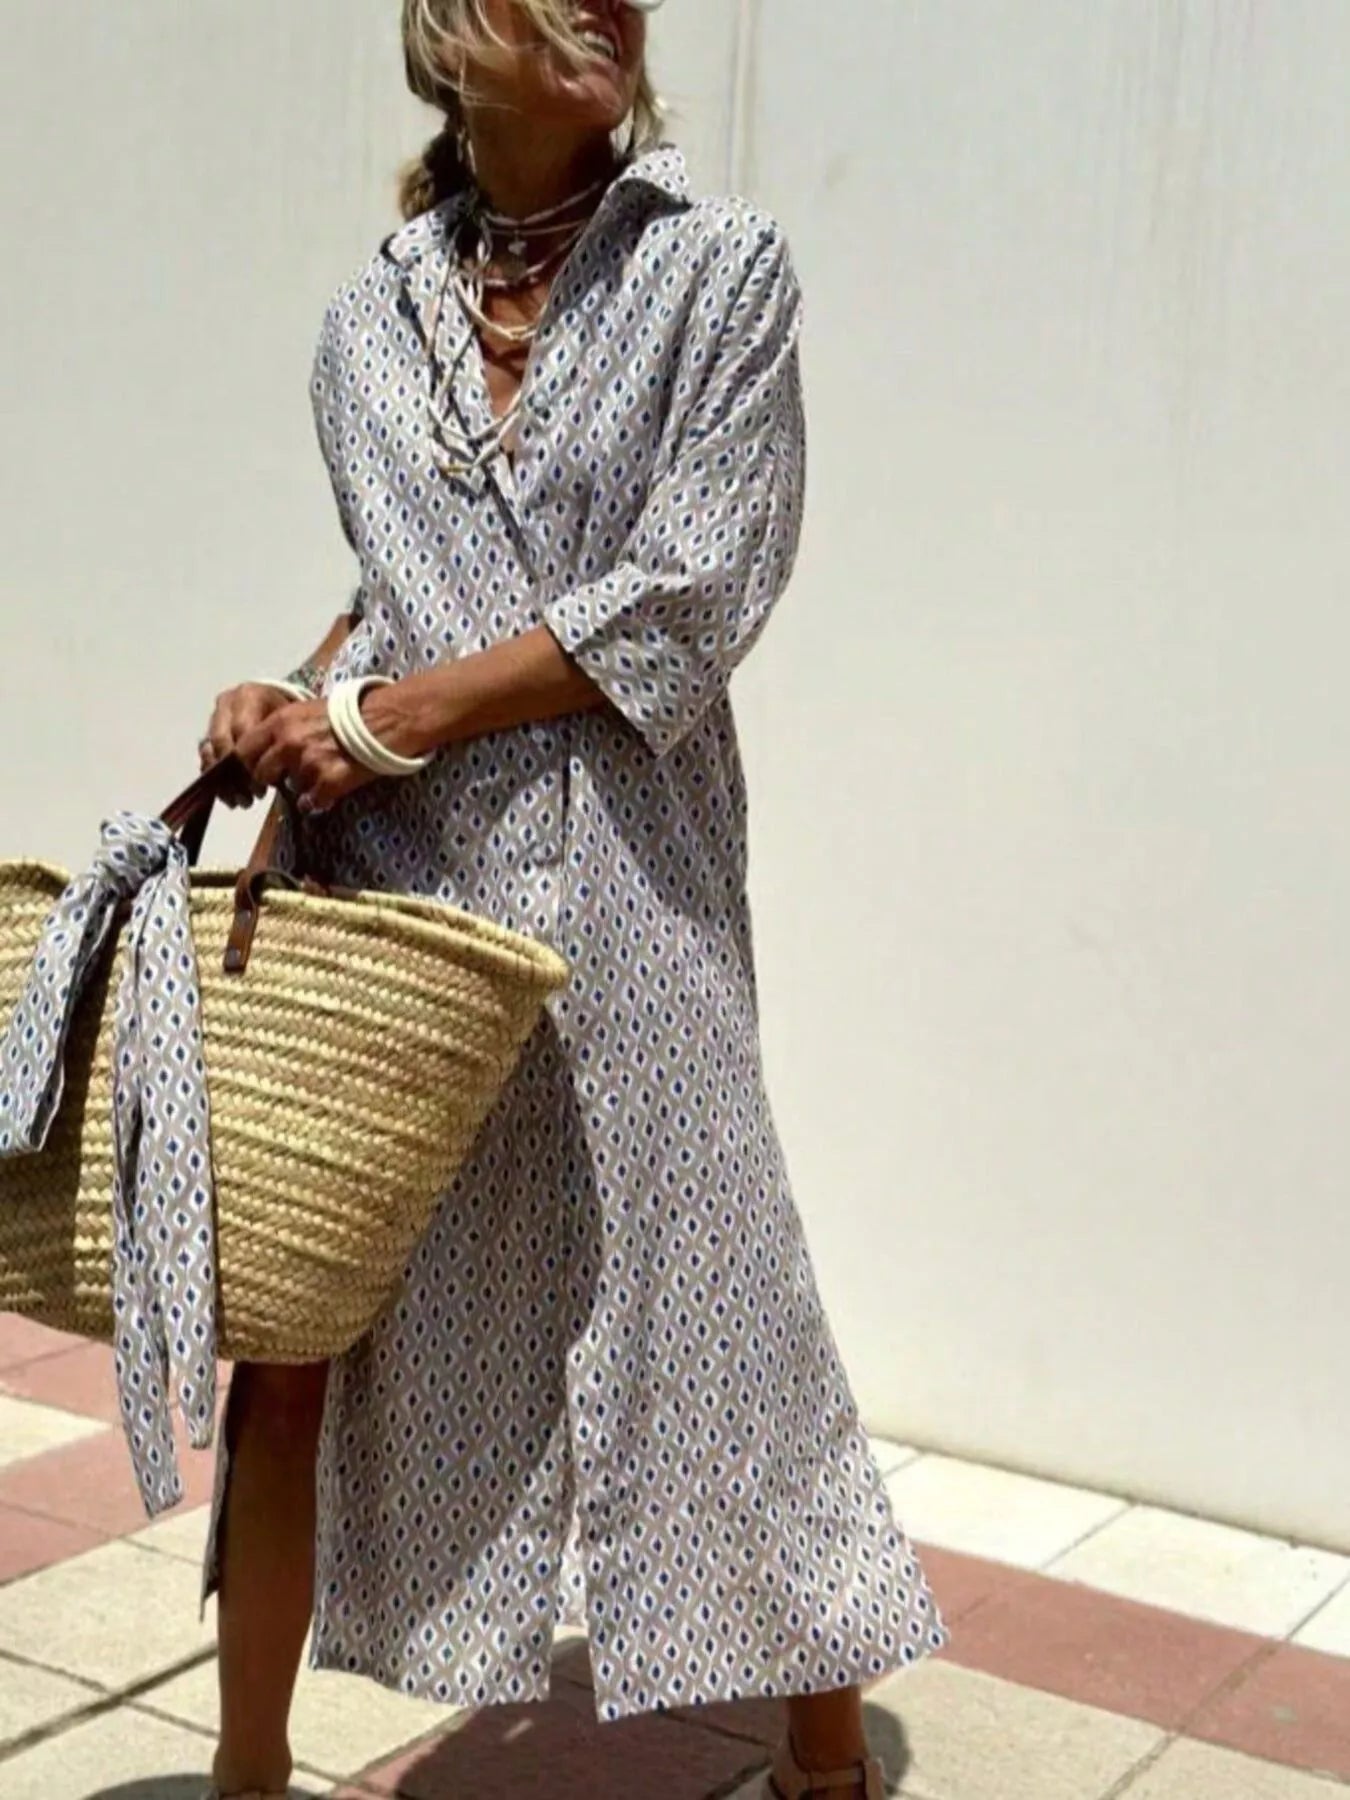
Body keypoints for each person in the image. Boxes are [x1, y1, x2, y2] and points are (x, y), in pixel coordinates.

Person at [197, 3, 946, 1795]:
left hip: (635, 883)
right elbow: (402, 587)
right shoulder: (363, 321)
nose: (610, 6)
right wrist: (292, 702)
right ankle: (242, 1775)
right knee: (303, 1331)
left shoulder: (719, 272)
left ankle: (824, 1758)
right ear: (454, 34)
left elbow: (698, 585)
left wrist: (393, 716)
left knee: (715, 1314)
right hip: (402, 902)